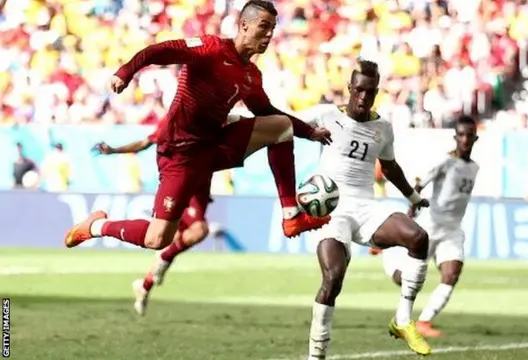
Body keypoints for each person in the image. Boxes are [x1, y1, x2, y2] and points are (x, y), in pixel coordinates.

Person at [63, 0, 333, 252]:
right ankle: (96, 226)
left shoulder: (251, 75)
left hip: (214, 145)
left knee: (281, 126)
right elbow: (160, 50)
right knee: (157, 239)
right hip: (180, 154)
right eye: (264, 26)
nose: (269, 35)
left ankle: (291, 216)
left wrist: (310, 132)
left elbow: (267, 112)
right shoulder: (211, 48)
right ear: (244, 25)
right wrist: (125, 72)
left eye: (273, 29)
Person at [300, 60, 432, 359]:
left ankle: (402, 320)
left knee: (418, 237)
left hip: (365, 207)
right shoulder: (326, 114)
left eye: (370, 92)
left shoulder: (382, 127)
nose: (363, 97)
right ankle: (316, 355)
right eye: (359, 90)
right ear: (349, 89)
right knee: (333, 278)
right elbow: (285, 121)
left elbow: (389, 166)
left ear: (376, 93)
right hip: (332, 209)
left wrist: (412, 197)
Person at [94, 122, 211, 316]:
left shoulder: (214, 114)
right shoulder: (174, 121)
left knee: (179, 237)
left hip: (200, 185)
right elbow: (144, 142)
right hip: (182, 182)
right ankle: (162, 259)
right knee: (198, 230)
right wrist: (114, 150)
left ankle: (145, 285)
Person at [378, 115, 479, 338]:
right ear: (455, 137)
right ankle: (387, 253)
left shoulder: (474, 167)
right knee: (405, 279)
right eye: (461, 135)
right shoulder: (445, 162)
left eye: (469, 135)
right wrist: (413, 205)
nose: (465, 139)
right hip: (432, 224)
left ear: (475, 138)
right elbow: (421, 182)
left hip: (453, 229)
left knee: (451, 275)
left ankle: (424, 321)